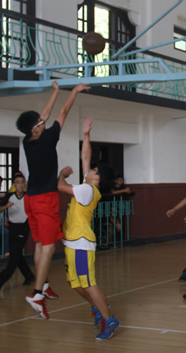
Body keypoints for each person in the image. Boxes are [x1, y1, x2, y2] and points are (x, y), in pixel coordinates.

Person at [16, 80, 89, 319]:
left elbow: (45, 115)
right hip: (45, 200)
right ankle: (36, 294)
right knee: (48, 248)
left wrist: (55, 91)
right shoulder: (49, 138)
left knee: (39, 244)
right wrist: (74, 91)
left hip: (30, 200)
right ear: (35, 129)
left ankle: (44, 284)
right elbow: (63, 112)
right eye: (39, 123)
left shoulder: (28, 140)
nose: (43, 122)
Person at [58, 116, 119, 339]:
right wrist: (86, 135)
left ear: (97, 178)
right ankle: (96, 306)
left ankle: (109, 319)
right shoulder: (88, 185)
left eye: (94, 170)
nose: (90, 169)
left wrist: (62, 175)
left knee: (89, 283)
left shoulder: (87, 190)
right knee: (75, 284)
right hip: (72, 242)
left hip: (82, 243)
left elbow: (59, 186)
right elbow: (85, 157)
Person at [0, 173, 36, 291]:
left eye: (22, 182)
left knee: (14, 256)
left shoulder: (28, 197)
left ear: (25, 184)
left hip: (23, 227)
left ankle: (0, 281)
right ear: (14, 185)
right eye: (17, 182)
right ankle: (29, 276)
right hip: (12, 227)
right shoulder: (9, 196)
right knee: (17, 254)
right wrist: (6, 206)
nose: (20, 184)